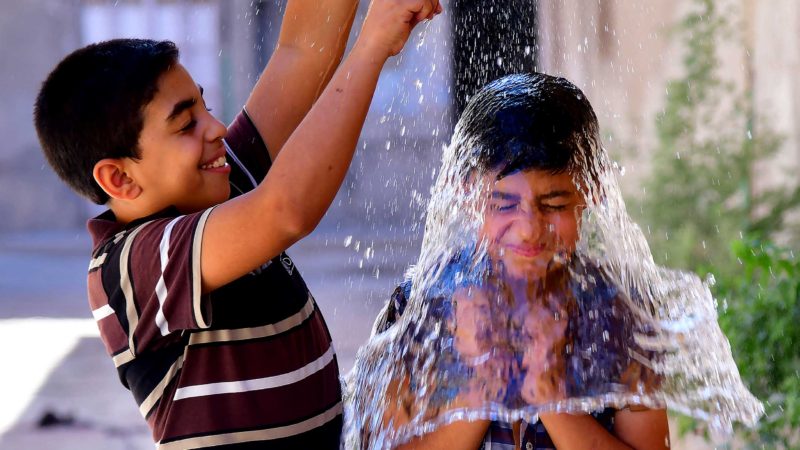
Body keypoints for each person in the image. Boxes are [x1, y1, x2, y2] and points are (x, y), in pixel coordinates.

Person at [33, 0, 442, 448]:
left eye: (204, 107)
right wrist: (371, 47)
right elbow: (286, 210)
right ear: (120, 178)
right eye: (187, 123)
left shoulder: (221, 183)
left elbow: (301, 51)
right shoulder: (131, 264)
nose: (218, 128)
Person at [368, 73, 670, 449]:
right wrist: (482, 385)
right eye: (503, 204)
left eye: (554, 204)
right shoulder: (420, 311)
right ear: (468, 193)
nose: (528, 229)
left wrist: (548, 394)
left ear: (590, 190)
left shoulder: (622, 313)